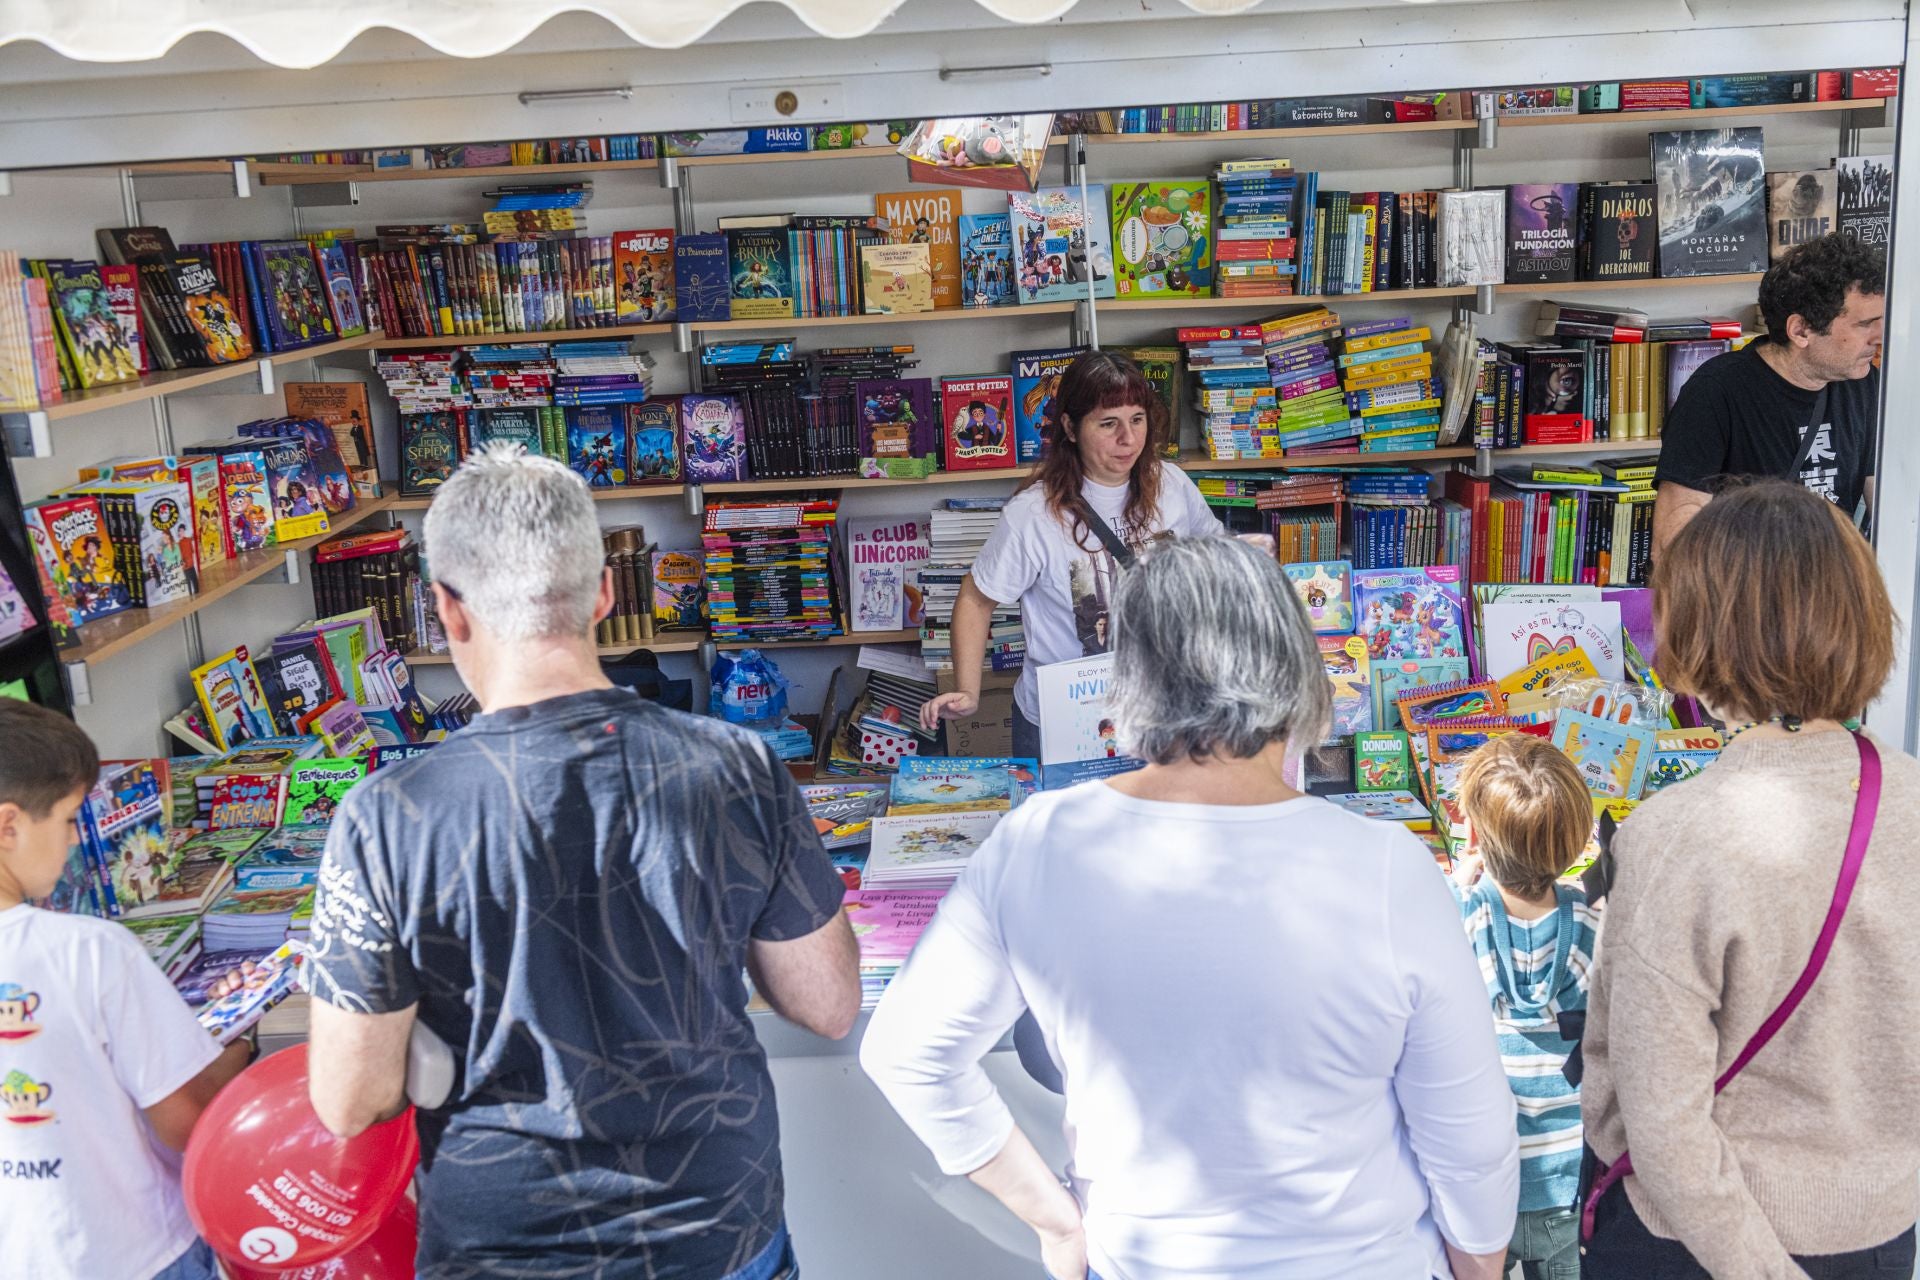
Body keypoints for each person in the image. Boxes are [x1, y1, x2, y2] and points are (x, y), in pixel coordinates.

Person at [864, 536, 1519, 1280]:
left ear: (1131, 674)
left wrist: (1056, 1222)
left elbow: (906, 1052)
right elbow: (1469, 1142)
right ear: (1297, 661)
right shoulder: (1388, 868)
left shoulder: (1039, 843)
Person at [302, 445, 861, 1280]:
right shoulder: (737, 765)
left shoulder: (388, 815)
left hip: (508, 1246)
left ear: (448, 611)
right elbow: (828, 1002)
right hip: (714, 1229)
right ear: (604, 593)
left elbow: (351, 1099)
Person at [1581, 479, 1920, 1278]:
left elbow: (1663, 1123)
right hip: (1878, 1229)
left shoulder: (1677, 836)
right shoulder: (1910, 798)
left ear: (1706, 627)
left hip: (1700, 1246)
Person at [0, 699, 252, 1280]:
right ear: (9, 825)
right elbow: (186, 1122)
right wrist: (234, 1048)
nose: (71, 844)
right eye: (66, 820)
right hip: (140, 1252)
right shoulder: (92, 951)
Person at [919, 350, 1222, 759]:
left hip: (1163, 712)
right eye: (1108, 423)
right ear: (1071, 427)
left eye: (1137, 419)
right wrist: (967, 690)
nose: (1128, 439)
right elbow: (976, 599)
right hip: (1066, 724)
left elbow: (1218, 558)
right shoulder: (1032, 513)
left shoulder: (1171, 484)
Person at [1448, 735, 1600, 1280]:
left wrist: (1458, 883)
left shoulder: (1454, 921)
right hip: (1566, 1181)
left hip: (1485, 1184)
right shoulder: (1591, 930)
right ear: (1579, 839)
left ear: (1472, 834)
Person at [1653, 232, 1884, 554]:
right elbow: (1673, 540)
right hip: (1750, 593)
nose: (1879, 336)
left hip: (1832, 590)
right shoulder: (1716, 391)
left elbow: (1889, 504)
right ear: (1800, 331)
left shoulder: (1865, 384)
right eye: (1866, 324)